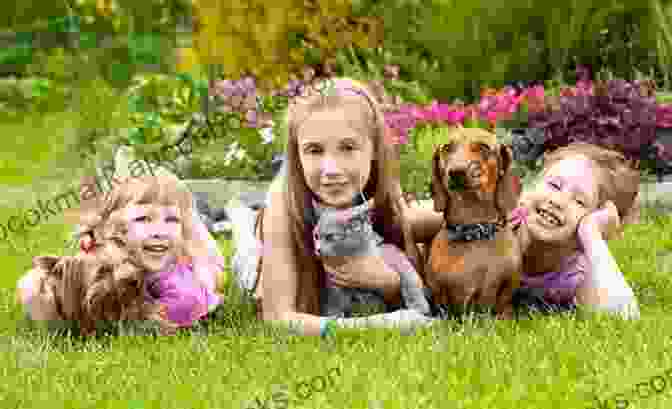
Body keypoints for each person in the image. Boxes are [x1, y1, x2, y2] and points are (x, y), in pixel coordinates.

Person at [230, 77, 439, 336]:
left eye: (348, 147)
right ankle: (239, 217)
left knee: (424, 219)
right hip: (260, 252)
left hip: (356, 223)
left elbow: (416, 294)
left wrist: (387, 282)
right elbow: (278, 318)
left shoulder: (381, 192)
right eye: (314, 150)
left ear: (374, 149)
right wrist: (375, 326)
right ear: (297, 155)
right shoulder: (283, 208)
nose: (331, 169)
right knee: (246, 247)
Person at [15, 174, 228, 332]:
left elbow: (182, 309)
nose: (160, 230)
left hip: (199, 264)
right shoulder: (102, 258)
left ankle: (196, 217)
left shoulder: (182, 291)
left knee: (204, 247)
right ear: (114, 230)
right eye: (144, 219)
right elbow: (32, 283)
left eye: (171, 220)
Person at [510, 142, 641, 318]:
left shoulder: (575, 274)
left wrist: (591, 234)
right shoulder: (502, 221)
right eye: (554, 185)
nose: (558, 201)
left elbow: (622, 318)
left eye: (579, 201)